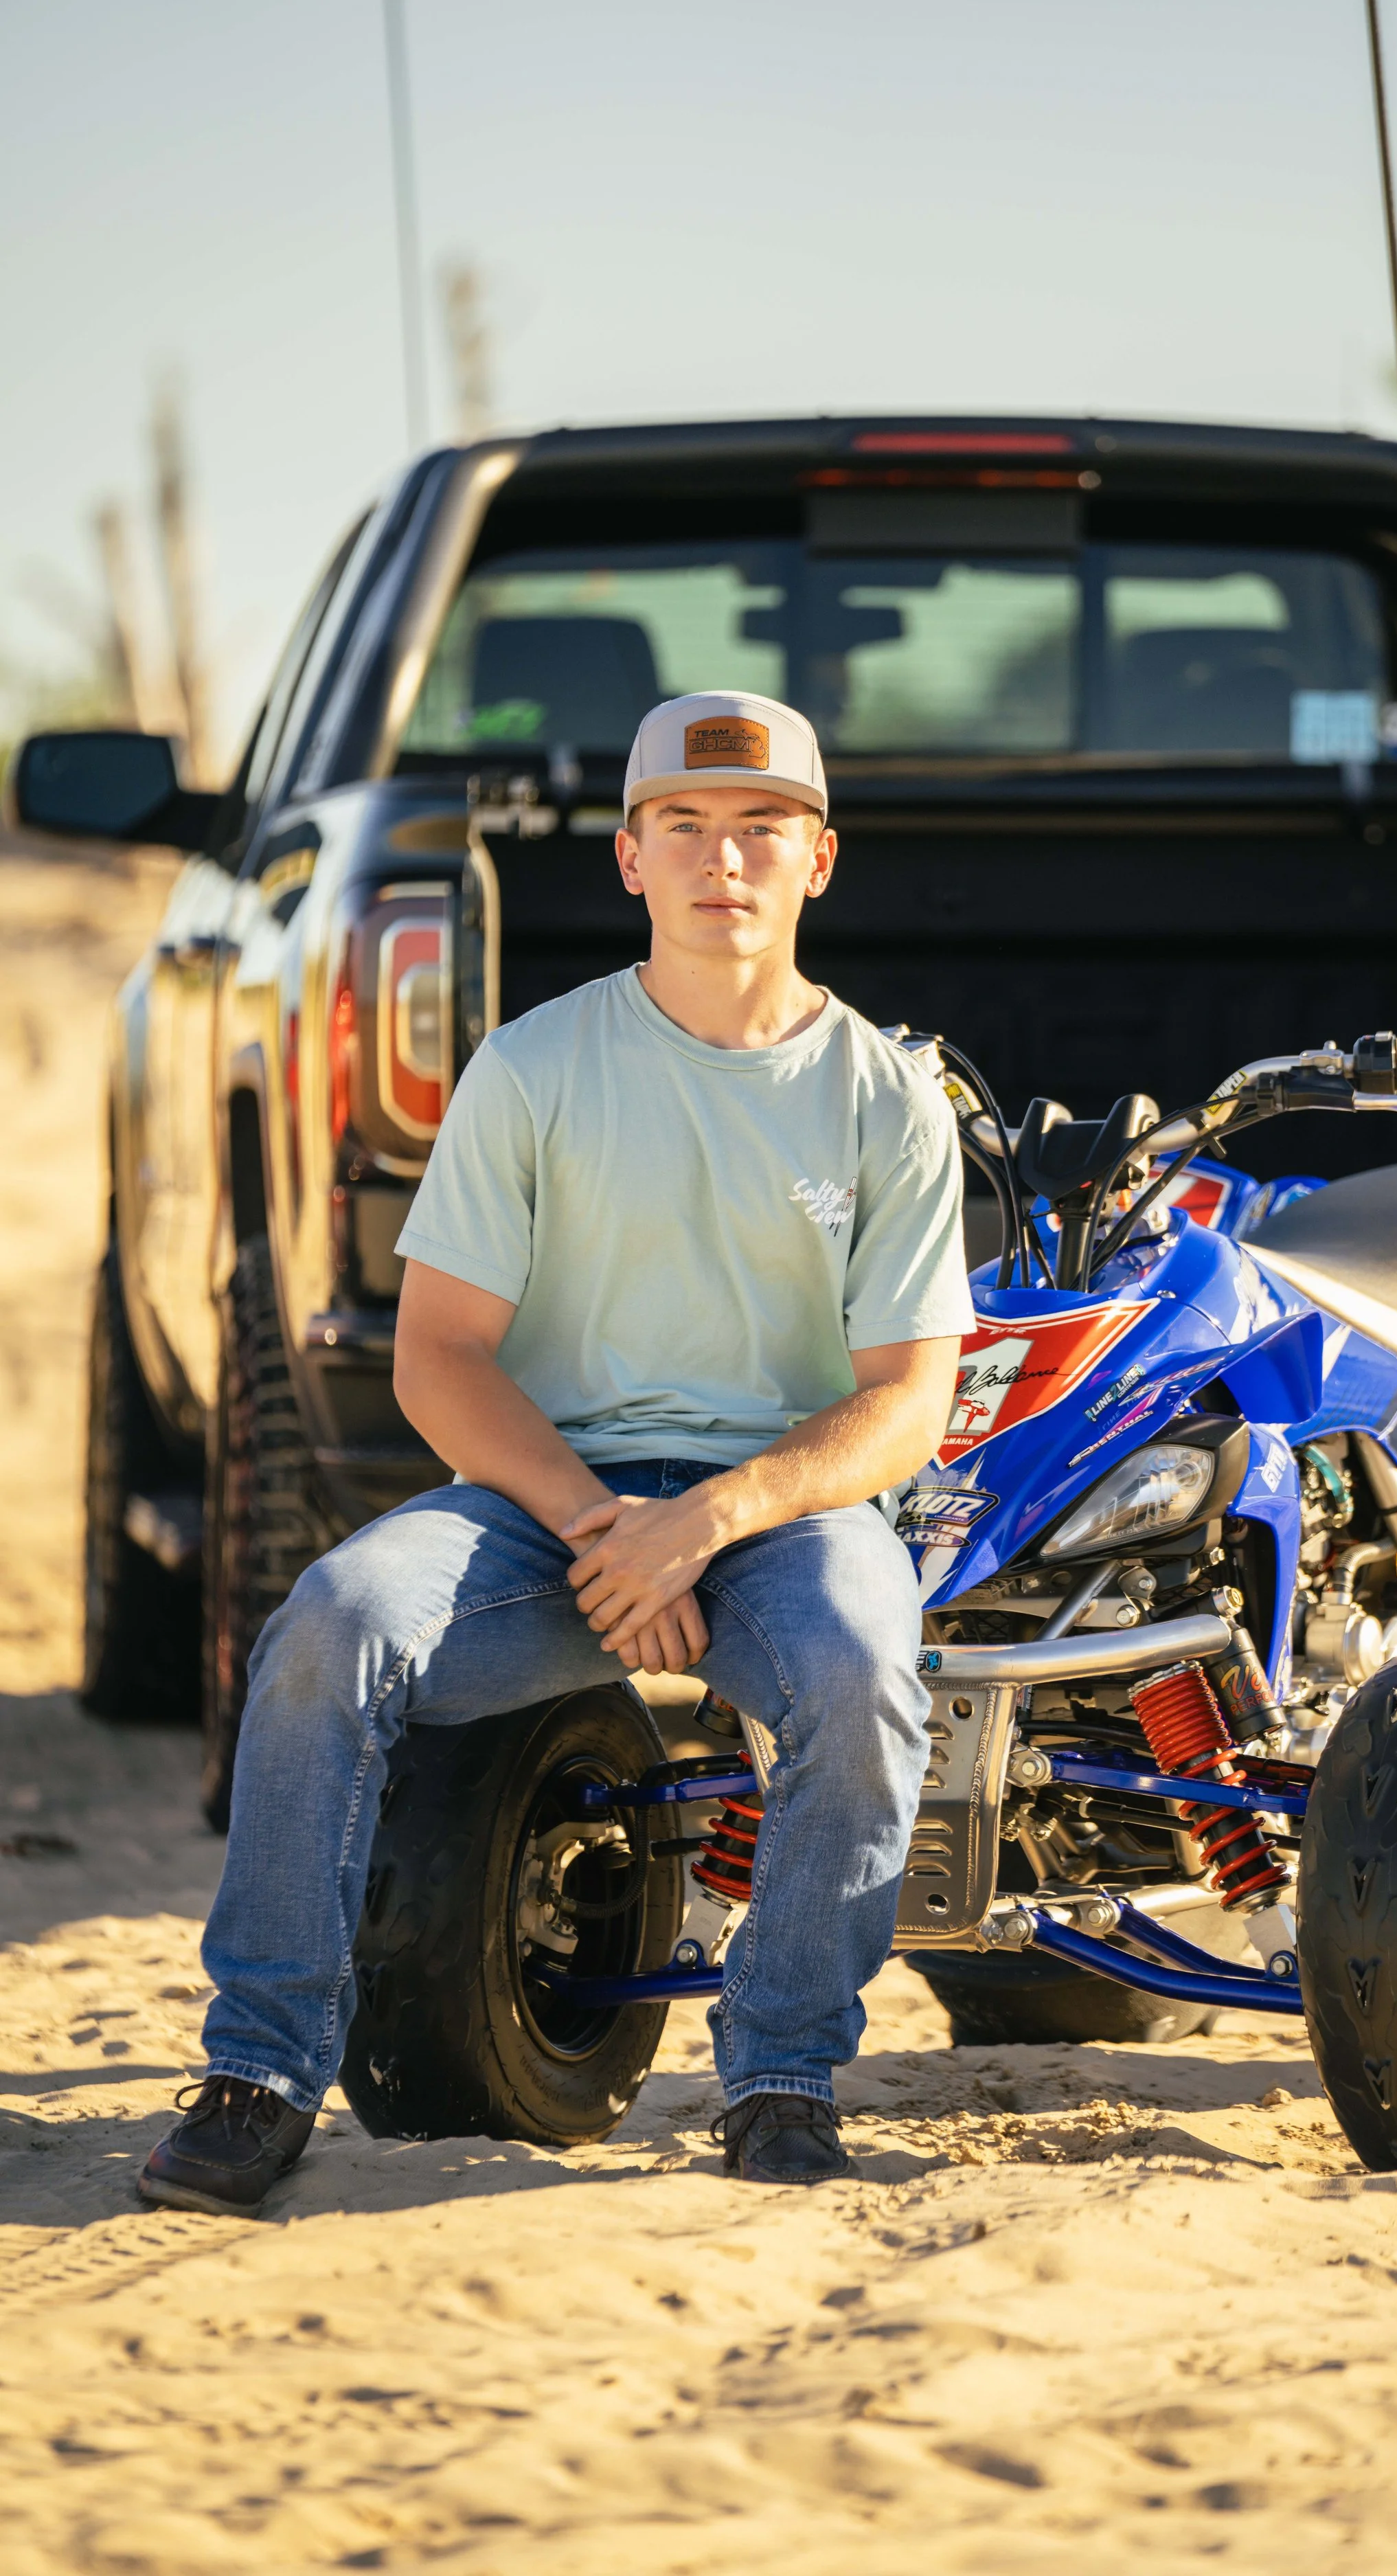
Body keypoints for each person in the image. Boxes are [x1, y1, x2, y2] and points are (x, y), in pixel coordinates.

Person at [139, 689, 971, 2211]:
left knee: (862, 1671)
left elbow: (906, 1396)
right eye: (687, 828)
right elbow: (438, 1357)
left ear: (819, 861)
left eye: (762, 829)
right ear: (630, 859)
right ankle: (260, 2068)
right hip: (544, 1506)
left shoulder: (883, 1099)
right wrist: (604, 1525)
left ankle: (779, 2073)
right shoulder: (532, 1069)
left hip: (778, 1518)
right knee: (329, 1630)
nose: (725, 861)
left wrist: (703, 1523)